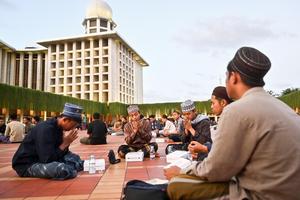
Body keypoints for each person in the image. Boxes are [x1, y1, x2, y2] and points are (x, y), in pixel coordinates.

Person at [164, 47, 300, 200]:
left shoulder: (236, 110)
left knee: (176, 185)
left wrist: (181, 172)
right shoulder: (283, 107)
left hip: (261, 195)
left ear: (233, 77)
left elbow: (216, 170)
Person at [12, 103, 84, 180]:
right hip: (28, 164)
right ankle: (71, 168)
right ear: (65, 120)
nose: (73, 128)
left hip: (44, 159)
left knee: (76, 158)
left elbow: (61, 153)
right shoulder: (45, 129)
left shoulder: (59, 128)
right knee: (62, 169)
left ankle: (72, 167)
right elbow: (47, 159)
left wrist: (65, 145)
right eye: (73, 125)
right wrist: (65, 143)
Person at [188, 86, 232, 155]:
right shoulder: (224, 119)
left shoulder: (231, 120)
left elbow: (228, 150)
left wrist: (203, 149)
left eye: (213, 103)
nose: (211, 106)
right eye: (184, 114)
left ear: (223, 102)